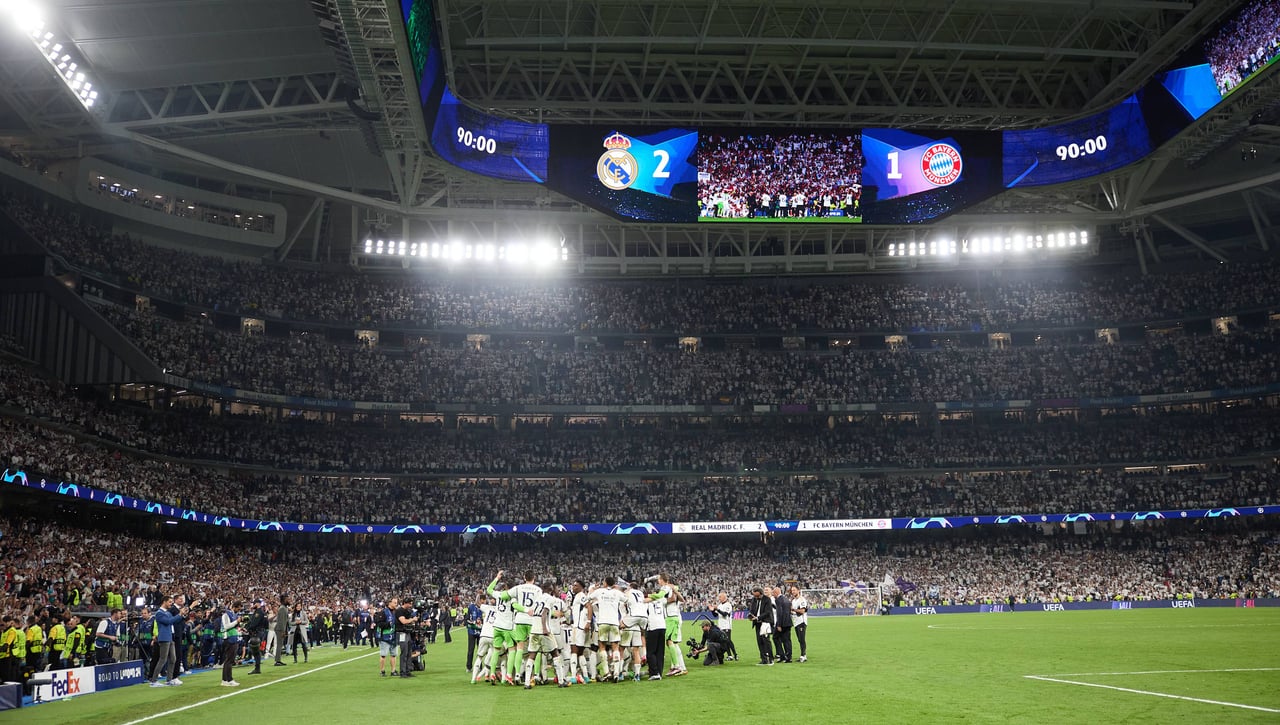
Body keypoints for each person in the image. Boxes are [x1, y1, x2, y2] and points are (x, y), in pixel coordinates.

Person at [148, 595, 185, 686]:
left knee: (173, 659)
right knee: (162, 659)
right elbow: (168, 621)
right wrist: (179, 614)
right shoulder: (159, 613)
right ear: (164, 602)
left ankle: (169, 679)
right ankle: (154, 680)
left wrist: (181, 615)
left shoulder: (167, 613)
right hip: (164, 638)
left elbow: (173, 621)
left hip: (170, 637)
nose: (171, 604)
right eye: (169, 602)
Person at [643, 583, 666, 680]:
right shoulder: (661, 600)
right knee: (660, 652)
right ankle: (659, 672)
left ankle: (654, 672)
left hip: (652, 626)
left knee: (651, 652)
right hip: (662, 626)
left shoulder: (646, 603)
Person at [747, 587, 775, 666]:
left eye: (757, 596)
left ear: (760, 593)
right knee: (759, 641)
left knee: (766, 641)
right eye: (755, 596)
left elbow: (768, 612)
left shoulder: (767, 599)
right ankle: (763, 659)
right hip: (757, 623)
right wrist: (750, 615)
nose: (756, 597)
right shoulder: (754, 599)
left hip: (765, 622)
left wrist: (758, 617)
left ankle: (771, 659)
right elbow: (752, 609)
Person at [394, 596, 419, 678]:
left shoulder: (407, 611)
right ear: (406, 603)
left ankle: (408, 671)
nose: (411, 605)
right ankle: (402, 672)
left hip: (407, 633)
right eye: (410, 603)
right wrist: (412, 620)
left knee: (408, 653)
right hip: (402, 633)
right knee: (404, 653)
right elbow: (403, 621)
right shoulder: (399, 611)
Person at [218, 603, 242, 687]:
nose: (238, 611)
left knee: (230, 660)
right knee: (229, 660)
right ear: (233, 607)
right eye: (238, 609)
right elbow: (226, 626)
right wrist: (236, 622)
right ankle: (227, 679)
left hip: (233, 638)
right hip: (228, 638)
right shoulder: (226, 615)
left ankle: (227, 679)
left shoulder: (233, 615)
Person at [712, 592, 738, 661]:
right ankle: (730, 655)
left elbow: (724, 614)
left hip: (727, 625)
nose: (719, 598)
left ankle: (735, 654)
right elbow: (715, 615)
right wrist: (712, 610)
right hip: (720, 626)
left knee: (728, 640)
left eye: (720, 597)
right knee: (725, 641)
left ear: (724, 597)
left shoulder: (728, 605)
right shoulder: (720, 605)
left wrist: (717, 609)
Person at [243, 600, 267, 675]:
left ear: (257, 604)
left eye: (253, 604)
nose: (252, 605)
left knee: (255, 650)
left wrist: (247, 628)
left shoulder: (259, 612)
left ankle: (257, 668)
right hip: (258, 632)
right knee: (255, 651)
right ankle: (257, 667)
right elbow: (251, 622)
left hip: (257, 632)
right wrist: (246, 627)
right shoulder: (257, 612)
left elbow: (254, 623)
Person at [376, 598, 399, 677]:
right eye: (395, 602)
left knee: (394, 655)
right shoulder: (383, 612)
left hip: (394, 637)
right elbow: (379, 624)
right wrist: (387, 625)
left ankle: (393, 671)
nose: (396, 604)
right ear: (390, 603)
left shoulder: (396, 612)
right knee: (383, 655)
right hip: (385, 637)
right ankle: (382, 671)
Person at [772, 586, 793, 663]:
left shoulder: (778, 600)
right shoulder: (786, 599)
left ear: (776, 593)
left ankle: (783, 656)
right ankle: (788, 656)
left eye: (773, 593)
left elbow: (779, 613)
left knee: (776, 637)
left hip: (782, 623)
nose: (772, 595)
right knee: (787, 640)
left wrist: (779, 625)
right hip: (788, 622)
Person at [789, 585, 809, 663]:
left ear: (798, 590)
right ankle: (803, 655)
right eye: (792, 590)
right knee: (799, 639)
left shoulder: (802, 600)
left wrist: (793, 609)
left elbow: (802, 611)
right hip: (796, 622)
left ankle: (803, 655)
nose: (793, 592)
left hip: (801, 622)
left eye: (794, 590)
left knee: (802, 639)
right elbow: (794, 611)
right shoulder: (794, 600)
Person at [465, 593, 484, 673]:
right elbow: (467, 619)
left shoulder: (484, 608)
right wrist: (474, 622)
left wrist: (481, 622)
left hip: (480, 631)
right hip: (472, 631)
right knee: (471, 649)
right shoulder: (471, 607)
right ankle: (469, 667)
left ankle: (479, 666)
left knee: (480, 650)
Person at [272, 594, 291, 667]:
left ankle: (278, 660)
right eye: (287, 599)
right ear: (284, 600)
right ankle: (277, 661)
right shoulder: (282, 608)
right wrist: (283, 631)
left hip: (280, 628)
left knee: (280, 645)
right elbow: (282, 621)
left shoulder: (284, 608)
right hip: (280, 629)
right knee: (279, 645)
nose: (289, 600)